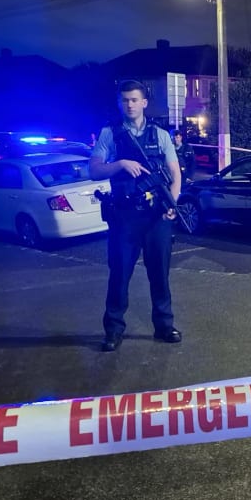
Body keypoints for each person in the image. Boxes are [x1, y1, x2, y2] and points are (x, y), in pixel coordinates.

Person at [90, 80, 183, 352]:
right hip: (124, 218)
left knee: (160, 275)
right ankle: (113, 330)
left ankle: (164, 326)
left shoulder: (160, 135)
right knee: (119, 275)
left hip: (156, 218)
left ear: (144, 103)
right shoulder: (110, 133)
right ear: (120, 103)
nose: (129, 104)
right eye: (124, 100)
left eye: (134, 100)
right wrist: (119, 164)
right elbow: (94, 170)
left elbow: (175, 175)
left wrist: (172, 203)